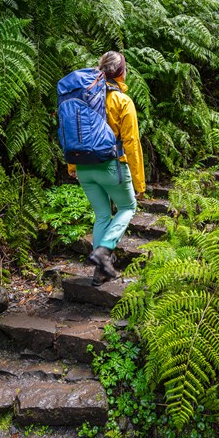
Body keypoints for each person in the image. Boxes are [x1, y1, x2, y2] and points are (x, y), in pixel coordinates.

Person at [67, 51, 146, 286]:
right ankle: (103, 252)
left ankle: (99, 271)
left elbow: (73, 132)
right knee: (127, 207)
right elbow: (131, 143)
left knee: (102, 215)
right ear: (121, 72)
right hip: (111, 166)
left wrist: (73, 165)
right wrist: (140, 183)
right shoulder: (122, 101)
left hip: (84, 167)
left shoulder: (84, 97)